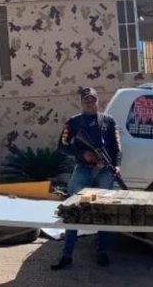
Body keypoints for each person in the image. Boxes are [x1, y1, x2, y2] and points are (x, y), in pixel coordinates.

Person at [51, 87, 122, 270]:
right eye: (86, 100)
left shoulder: (108, 121)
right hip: (83, 169)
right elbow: (62, 146)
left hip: (105, 171)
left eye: (93, 99)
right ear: (81, 102)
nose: (90, 103)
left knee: (103, 211)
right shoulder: (73, 122)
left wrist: (117, 165)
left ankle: (102, 251)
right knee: (73, 210)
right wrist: (83, 154)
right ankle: (67, 254)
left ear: (98, 100)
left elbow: (117, 146)